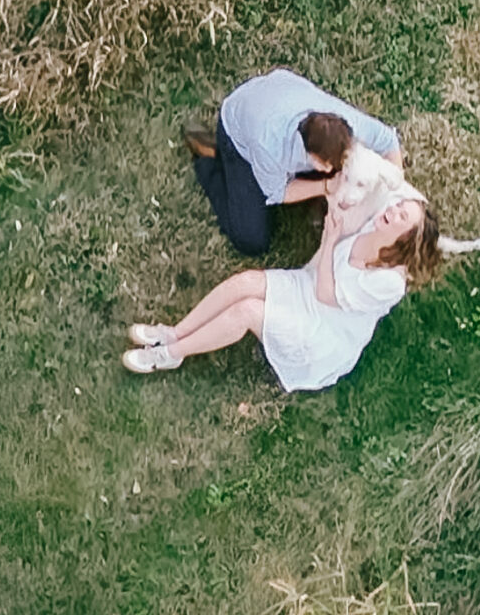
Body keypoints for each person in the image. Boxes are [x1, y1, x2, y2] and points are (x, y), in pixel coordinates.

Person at [122, 186, 436, 389]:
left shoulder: (389, 284)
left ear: (407, 237)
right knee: (246, 282)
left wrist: (329, 239)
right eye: (397, 206)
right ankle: (175, 332)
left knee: (246, 312)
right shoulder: (376, 220)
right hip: (308, 284)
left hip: (323, 328)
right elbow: (392, 178)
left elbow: (326, 295)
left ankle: (170, 354)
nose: (392, 211)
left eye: (401, 215)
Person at [187, 68, 403, 256]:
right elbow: (278, 192)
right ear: (309, 152)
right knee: (251, 238)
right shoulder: (269, 145)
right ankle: (209, 156)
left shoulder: (349, 125)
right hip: (238, 135)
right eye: (326, 165)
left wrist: (395, 193)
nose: (330, 169)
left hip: (274, 97)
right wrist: (327, 186)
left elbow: (388, 141)